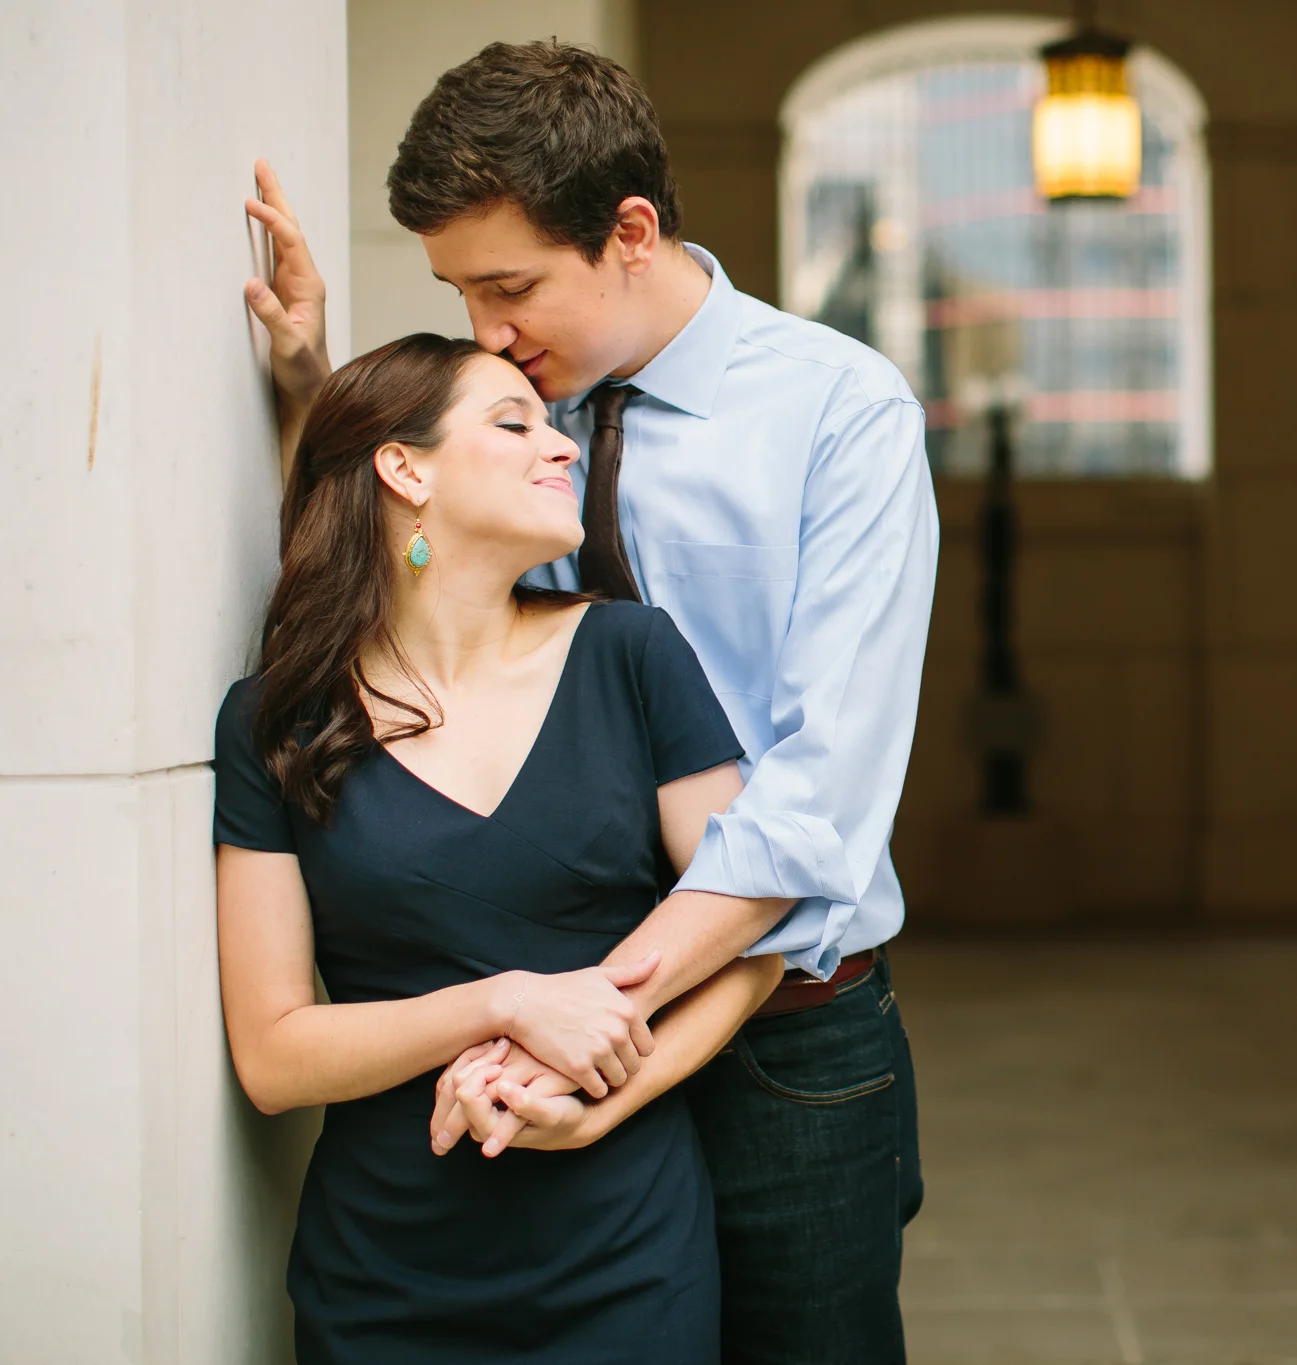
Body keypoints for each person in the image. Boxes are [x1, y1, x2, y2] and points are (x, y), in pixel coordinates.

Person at [244, 40, 938, 1364]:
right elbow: (414, 579)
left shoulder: (841, 413)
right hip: (546, 1027)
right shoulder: (521, 428)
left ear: (630, 231)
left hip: (784, 1039)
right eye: (460, 293)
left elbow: (816, 800)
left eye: (510, 288)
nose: (489, 334)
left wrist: (579, 1023)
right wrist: (312, 397)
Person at [215, 333, 786, 1363]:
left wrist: (604, 1104)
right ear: (404, 469)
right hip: (384, 1270)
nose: (559, 444)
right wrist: (503, 1002)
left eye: (549, 421)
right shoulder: (277, 718)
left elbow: (754, 939)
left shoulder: (630, 654)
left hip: (625, 1252)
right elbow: (271, 1057)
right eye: (512, 421)